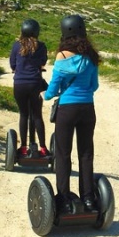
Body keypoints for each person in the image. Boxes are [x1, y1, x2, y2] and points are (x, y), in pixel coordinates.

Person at [43, 14, 100, 213]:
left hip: (67, 109)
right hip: (87, 108)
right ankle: (88, 200)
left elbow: (53, 88)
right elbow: (94, 86)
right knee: (86, 154)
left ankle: (64, 199)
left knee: (63, 154)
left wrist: (47, 95)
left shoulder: (63, 56)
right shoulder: (91, 56)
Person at [9, 18, 49, 157]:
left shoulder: (16, 46)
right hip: (35, 84)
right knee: (37, 115)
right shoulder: (41, 46)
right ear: (37, 32)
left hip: (19, 84)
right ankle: (43, 148)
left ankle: (24, 147)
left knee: (23, 114)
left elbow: (13, 65)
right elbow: (43, 63)